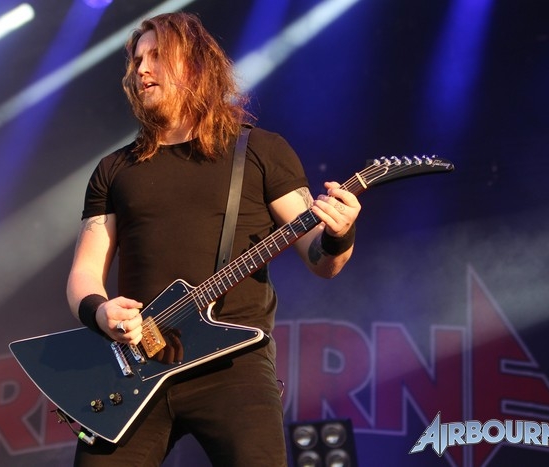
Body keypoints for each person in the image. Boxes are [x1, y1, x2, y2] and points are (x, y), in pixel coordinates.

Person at [66, 11, 361, 467]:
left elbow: (322, 260)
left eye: (157, 56)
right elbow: (84, 273)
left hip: (233, 365)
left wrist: (340, 233)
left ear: (196, 66)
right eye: (138, 60)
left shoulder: (260, 151)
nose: (142, 70)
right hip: (137, 368)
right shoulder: (115, 169)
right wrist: (101, 311)